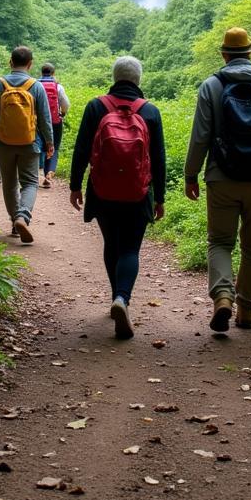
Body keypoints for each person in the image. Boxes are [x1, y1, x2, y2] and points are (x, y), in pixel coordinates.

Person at [184, 27, 251, 333]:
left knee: (220, 241)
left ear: (224, 54)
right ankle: (246, 311)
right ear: (250, 53)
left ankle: (222, 297)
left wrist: (190, 175)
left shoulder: (211, 86)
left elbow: (200, 137)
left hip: (221, 176)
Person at [69, 56, 166, 340]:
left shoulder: (96, 106)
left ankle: (116, 297)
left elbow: (82, 148)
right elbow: (158, 160)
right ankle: (122, 298)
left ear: (114, 77)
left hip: (103, 191)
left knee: (112, 244)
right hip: (139, 192)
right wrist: (159, 197)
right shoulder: (150, 111)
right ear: (138, 79)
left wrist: (75, 185)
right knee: (130, 249)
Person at [0, 45, 53, 243]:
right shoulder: (36, 86)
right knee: (29, 182)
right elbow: (45, 118)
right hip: (30, 142)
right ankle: (23, 217)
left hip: (2, 142)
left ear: (10, 62)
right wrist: (49, 142)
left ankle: (14, 221)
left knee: (9, 183)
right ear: (30, 64)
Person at [37, 62, 70, 187]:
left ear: (41, 72)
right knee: (54, 146)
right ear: (53, 73)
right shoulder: (58, 86)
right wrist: (62, 113)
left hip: (38, 122)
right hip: (55, 121)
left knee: (40, 145)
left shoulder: (35, 85)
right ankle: (49, 173)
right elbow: (66, 104)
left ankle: (34, 173)